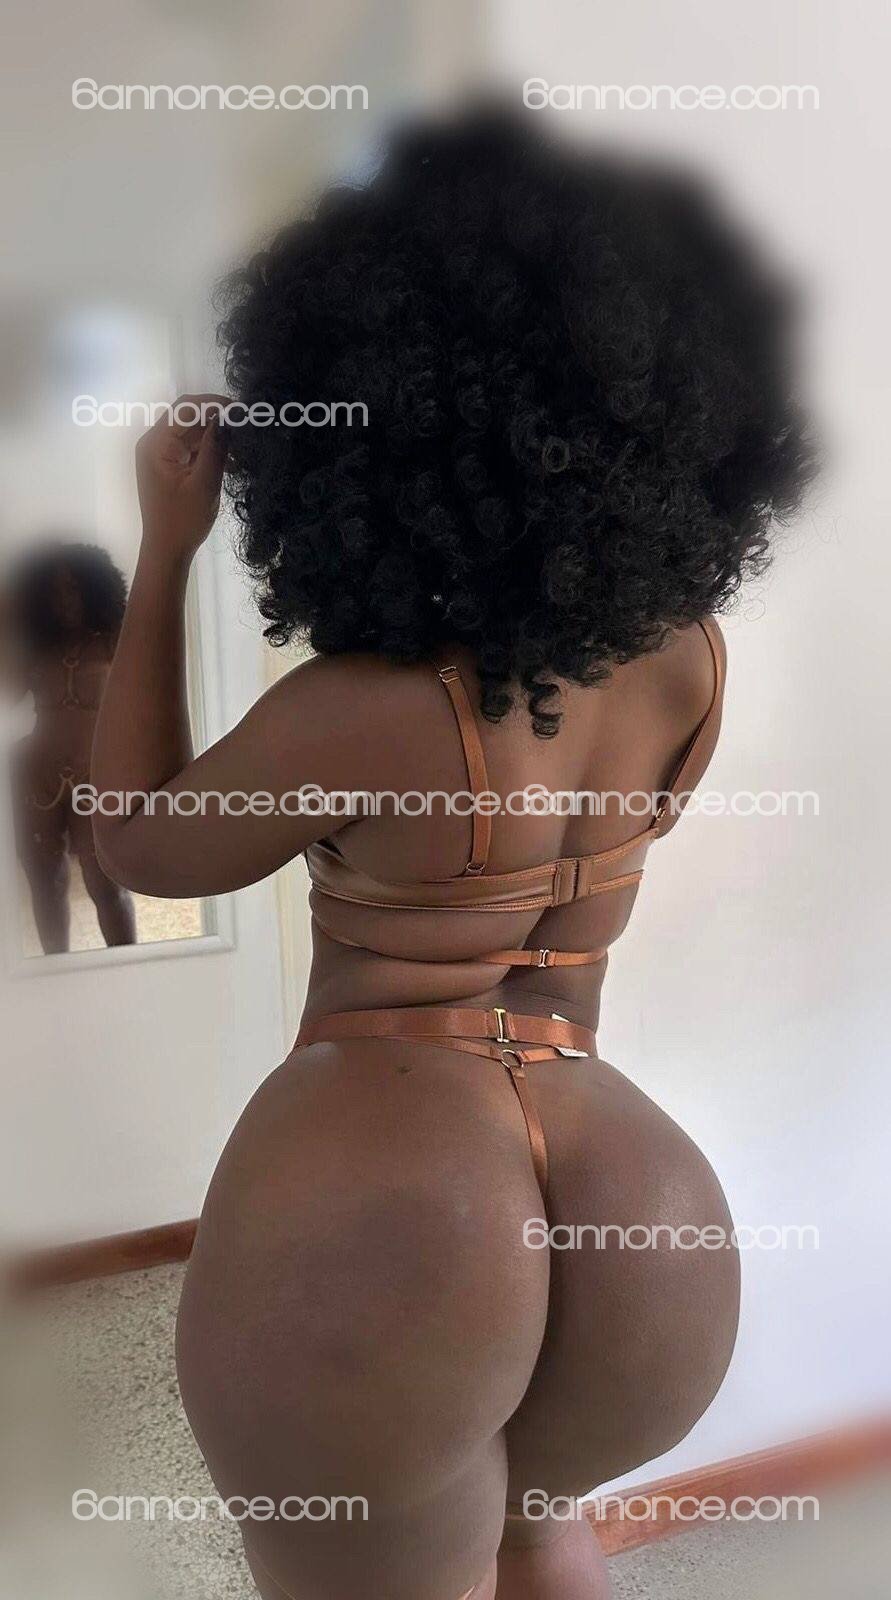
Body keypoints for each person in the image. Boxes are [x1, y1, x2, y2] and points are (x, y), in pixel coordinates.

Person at [91, 109, 811, 1600]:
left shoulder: (364, 710)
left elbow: (140, 842)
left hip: (396, 1201)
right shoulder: (685, 662)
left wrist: (164, 548)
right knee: (540, 1533)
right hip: (640, 1201)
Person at [5, 541, 136, 953]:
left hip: (96, 774)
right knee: (45, 882)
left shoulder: (116, 636)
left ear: (94, 587)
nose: (65, 599)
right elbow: (9, 695)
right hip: (36, 773)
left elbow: (145, 699)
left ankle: (127, 966)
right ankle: (56, 971)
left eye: (74, 587)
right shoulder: (34, 647)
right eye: (55, 590)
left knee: (106, 884)